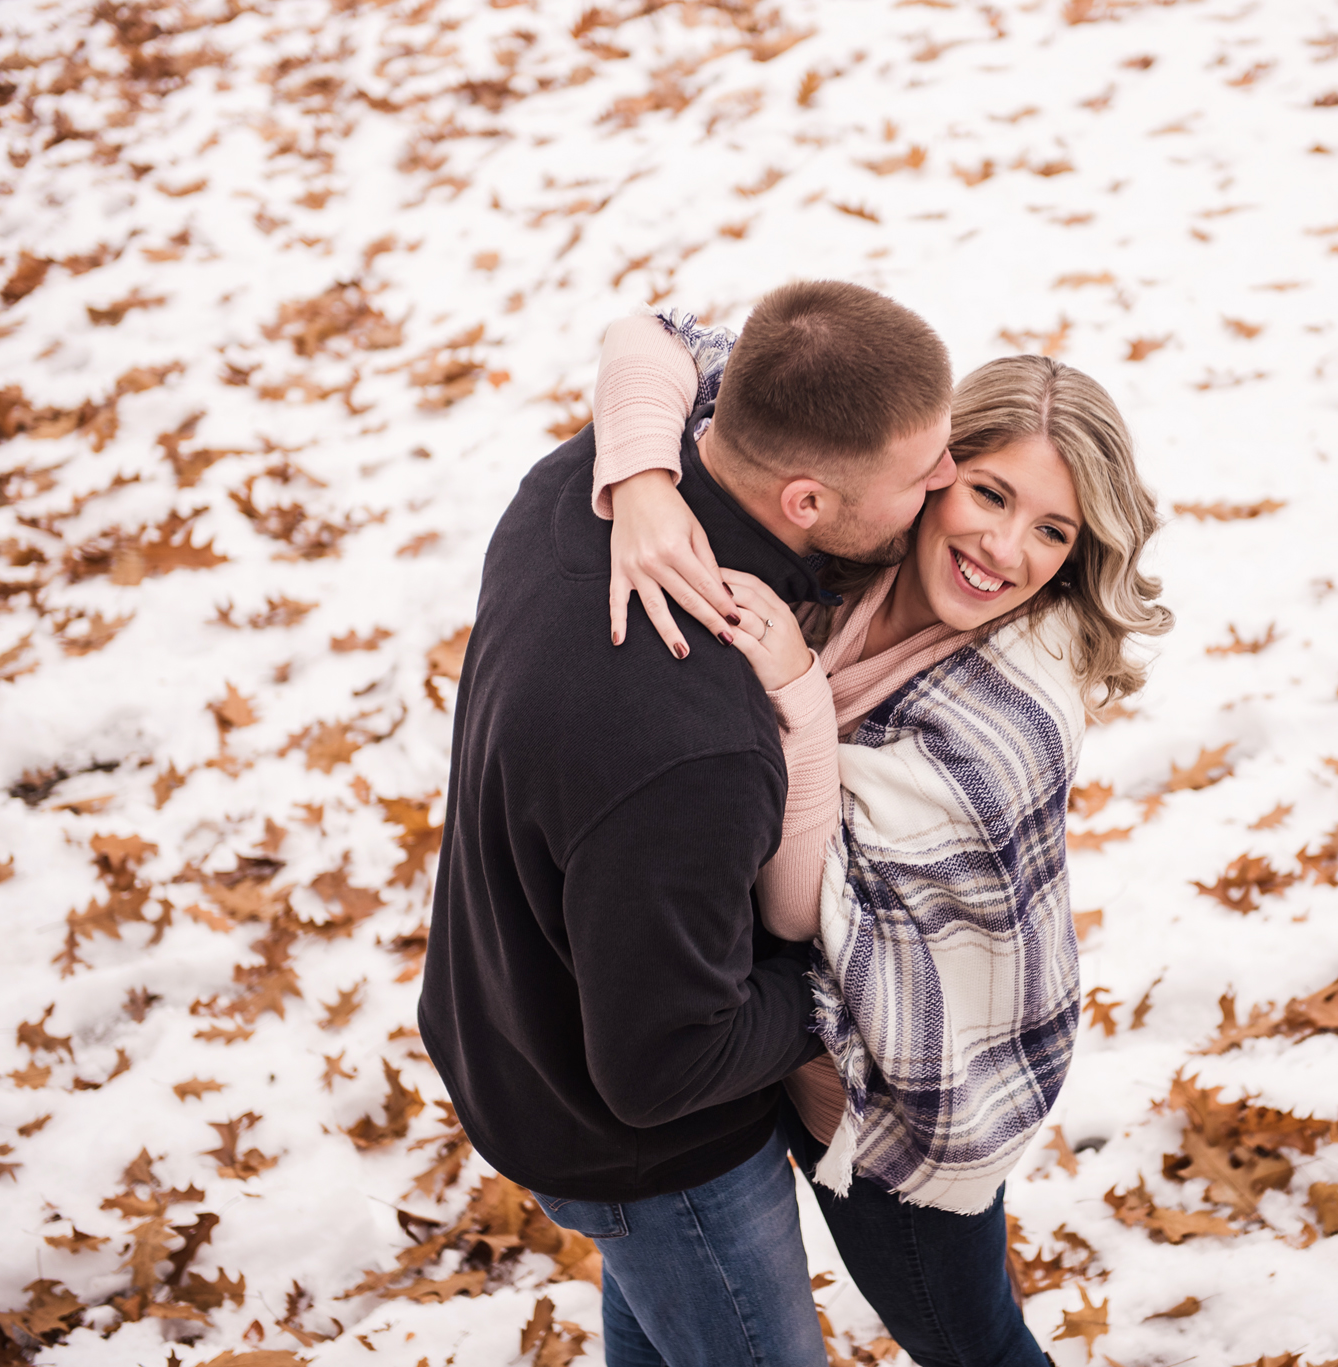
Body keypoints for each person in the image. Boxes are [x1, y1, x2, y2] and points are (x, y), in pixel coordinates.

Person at [590, 307, 1172, 1367]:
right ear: (930, 467)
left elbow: (802, 902)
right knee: (659, 1297)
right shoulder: (861, 519)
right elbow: (654, 333)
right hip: (737, 1025)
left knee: (971, 1342)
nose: (1006, 550)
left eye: (1053, 531)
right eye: (989, 494)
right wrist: (641, 485)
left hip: (893, 1094)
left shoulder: (1015, 708)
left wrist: (798, 698)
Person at [418, 281, 962, 1367]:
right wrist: (840, 990)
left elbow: (662, 333)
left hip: (516, 1010)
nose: (945, 486)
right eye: (921, 475)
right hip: (647, 1149)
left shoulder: (589, 478)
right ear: (803, 500)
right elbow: (663, 1064)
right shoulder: (692, 738)